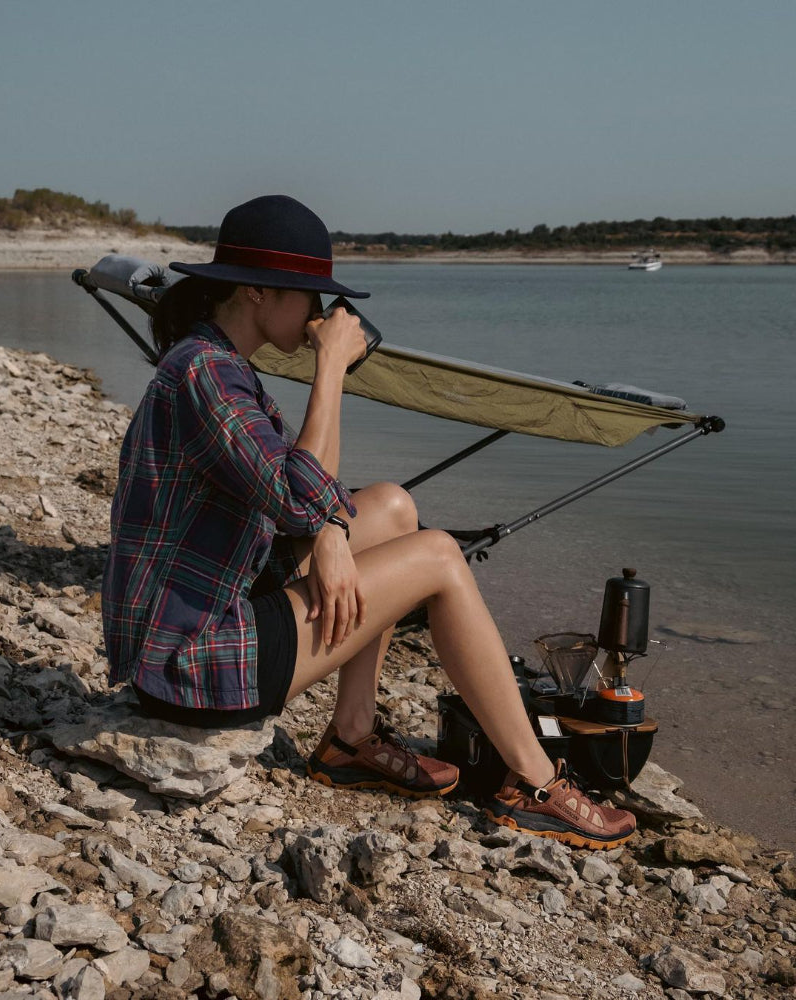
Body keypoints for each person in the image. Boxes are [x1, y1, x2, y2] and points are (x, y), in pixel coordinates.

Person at [102, 194, 636, 850]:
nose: (320, 314)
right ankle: (534, 780)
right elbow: (301, 498)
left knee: (392, 507)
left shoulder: (218, 362)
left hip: (209, 610)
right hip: (192, 664)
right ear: (253, 293)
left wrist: (332, 533)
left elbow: (311, 493)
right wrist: (329, 370)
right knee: (438, 556)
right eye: (308, 296)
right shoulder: (206, 378)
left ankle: (349, 736)